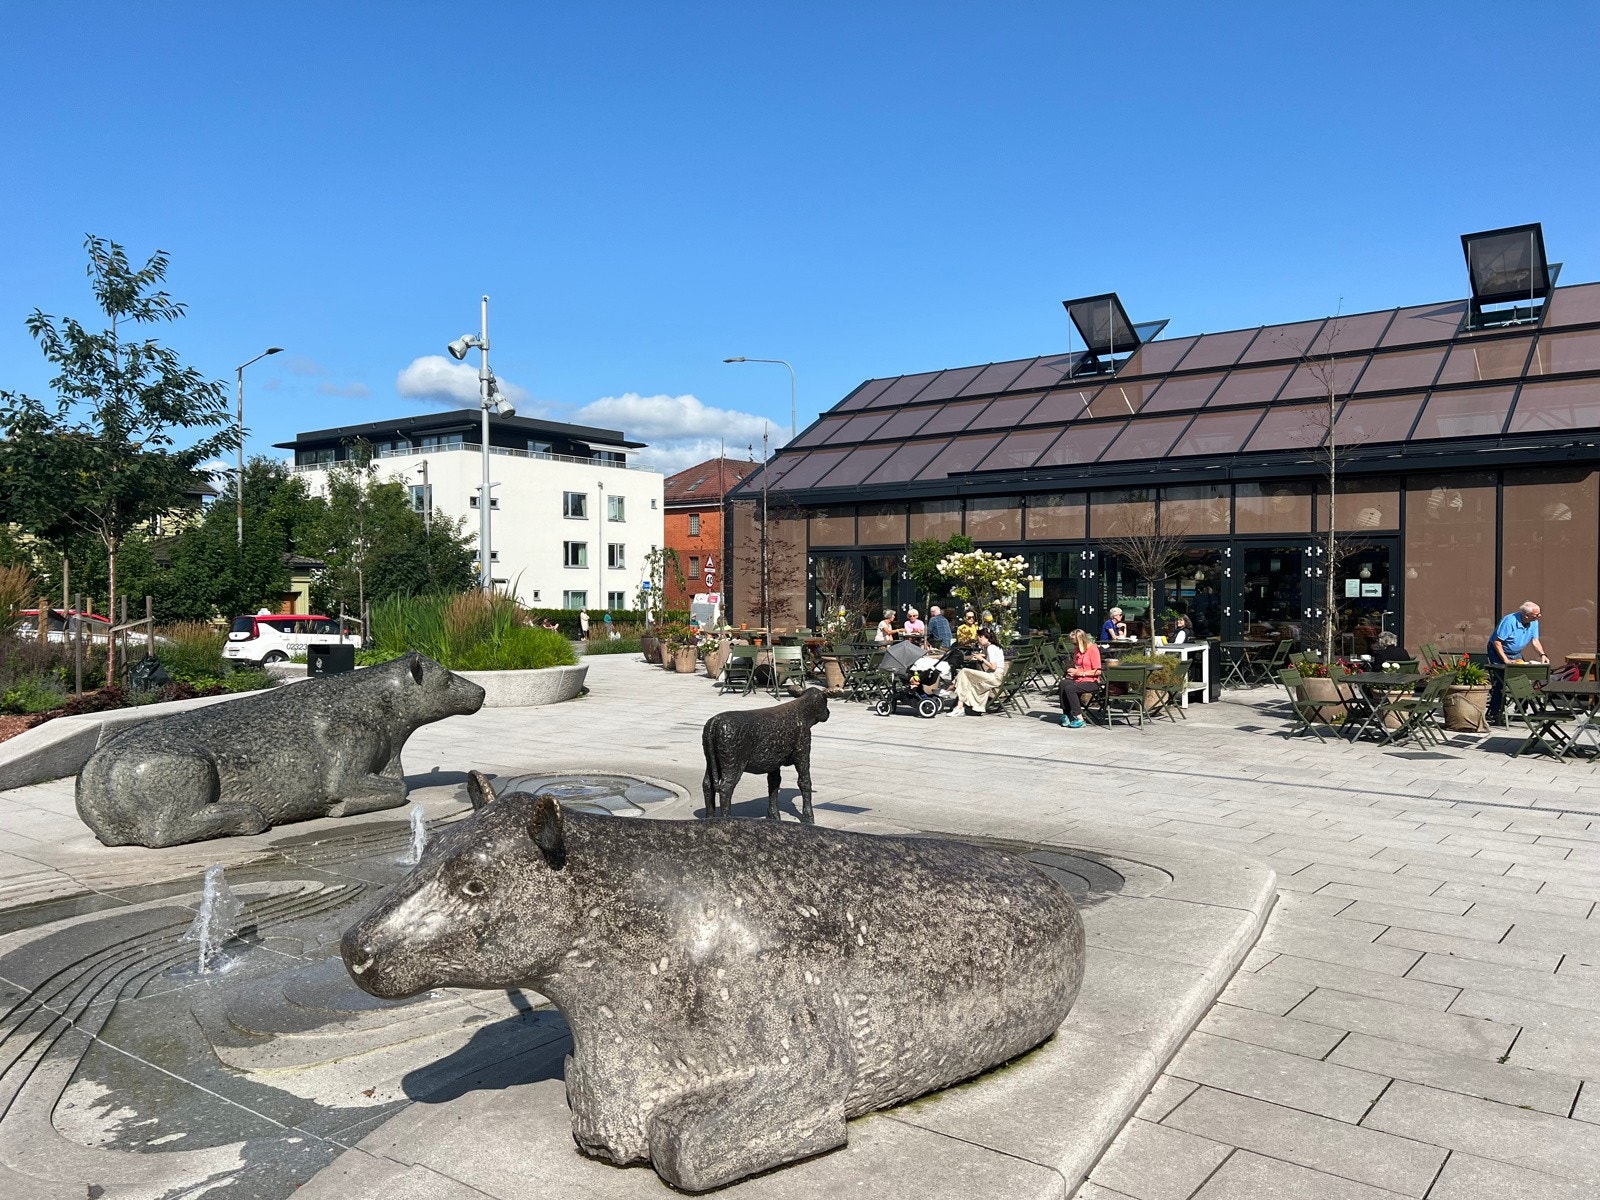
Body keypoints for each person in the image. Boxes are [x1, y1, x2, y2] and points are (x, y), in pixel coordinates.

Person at [1488, 600, 1547, 720]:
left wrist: (1542, 654)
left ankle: (1521, 710)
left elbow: (1535, 641)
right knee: (1502, 679)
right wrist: (1505, 660)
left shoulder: (1533, 622)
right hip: (1498, 650)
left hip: (1515, 652)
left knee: (1522, 677)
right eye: (1536, 615)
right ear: (1526, 615)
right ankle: (1494, 712)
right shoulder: (1509, 621)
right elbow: (1497, 642)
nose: (1539, 616)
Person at [950, 627, 1006, 717]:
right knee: (966, 679)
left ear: (982, 637)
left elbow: (993, 666)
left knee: (964, 671)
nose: (978, 641)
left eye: (979, 639)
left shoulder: (991, 648)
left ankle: (951, 689)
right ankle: (959, 706)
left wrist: (981, 659)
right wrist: (980, 655)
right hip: (997, 676)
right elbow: (987, 655)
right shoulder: (995, 646)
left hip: (994, 677)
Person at [1057, 628, 1102, 729]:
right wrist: (1072, 672)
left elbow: (1098, 671)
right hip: (1078, 679)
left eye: (1075, 643)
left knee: (1070, 689)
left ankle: (1079, 718)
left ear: (1081, 640)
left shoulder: (1093, 649)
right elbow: (1077, 666)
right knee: (1063, 683)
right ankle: (1066, 714)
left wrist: (1080, 673)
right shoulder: (1077, 650)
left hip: (1091, 681)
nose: (1074, 645)